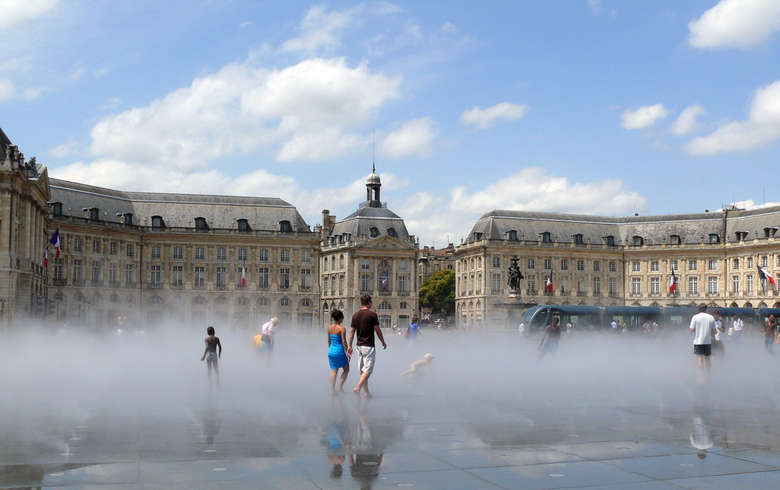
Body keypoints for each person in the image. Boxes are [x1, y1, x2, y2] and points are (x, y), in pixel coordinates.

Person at [348, 294, 387, 399]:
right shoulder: (372, 315)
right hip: (369, 346)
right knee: (368, 370)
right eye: (371, 302)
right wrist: (383, 341)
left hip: (359, 346)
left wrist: (350, 345)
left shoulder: (355, 315)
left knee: (362, 370)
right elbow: (378, 330)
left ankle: (367, 393)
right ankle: (357, 387)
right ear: (369, 302)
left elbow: (352, 331)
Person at [328, 309, 351, 394]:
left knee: (334, 370)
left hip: (331, 351)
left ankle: (332, 391)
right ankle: (340, 388)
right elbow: (344, 341)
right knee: (346, 369)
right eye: (342, 318)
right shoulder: (342, 328)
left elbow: (329, 341)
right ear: (340, 318)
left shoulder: (329, 328)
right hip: (340, 351)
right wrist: (348, 352)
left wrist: (331, 351)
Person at [690, 304, 715, 374]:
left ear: (699, 309)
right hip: (708, 342)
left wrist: (697, 330)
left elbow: (691, 330)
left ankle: (702, 376)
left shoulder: (695, 317)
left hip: (698, 342)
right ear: (706, 309)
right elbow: (714, 331)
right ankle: (709, 375)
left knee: (700, 359)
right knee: (707, 359)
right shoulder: (711, 317)